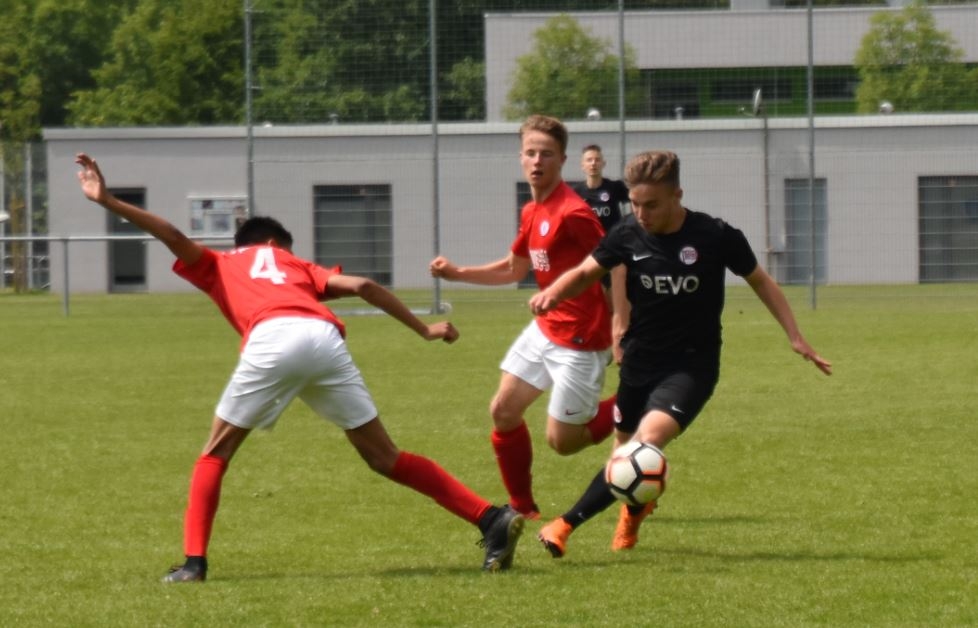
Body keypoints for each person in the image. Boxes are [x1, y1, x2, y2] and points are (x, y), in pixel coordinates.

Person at [74, 153, 524, 582]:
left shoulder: (222, 261)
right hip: (324, 339)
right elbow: (364, 285)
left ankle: (193, 564)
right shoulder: (297, 265)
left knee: (214, 453)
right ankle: (490, 518)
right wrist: (424, 329)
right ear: (275, 245)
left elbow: (172, 235)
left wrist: (108, 201)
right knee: (384, 456)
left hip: (272, 339)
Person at [529, 150, 832, 558]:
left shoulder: (715, 236)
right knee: (624, 455)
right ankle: (635, 512)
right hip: (639, 361)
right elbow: (587, 272)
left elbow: (761, 281)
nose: (642, 214)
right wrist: (553, 293)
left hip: (691, 366)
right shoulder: (626, 234)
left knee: (645, 445)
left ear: (678, 195)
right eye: (635, 204)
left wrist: (795, 336)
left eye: (651, 205)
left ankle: (564, 525)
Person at [429, 115, 622, 520]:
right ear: (521, 157)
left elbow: (616, 263)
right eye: (531, 152)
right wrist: (457, 272)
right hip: (546, 327)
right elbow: (514, 269)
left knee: (564, 442)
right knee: (503, 410)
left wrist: (622, 324)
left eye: (546, 154)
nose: (537, 161)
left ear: (562, 160)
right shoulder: (533, 209)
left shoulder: (574, 212)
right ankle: (523, 508)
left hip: (581, 338)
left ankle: (635, 401)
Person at [570, 144, 630, 236]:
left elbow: (637, 199)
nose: (593, 163)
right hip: (588, 240)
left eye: (597, 160)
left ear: (603, 164)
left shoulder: (615, 187)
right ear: (582, 165)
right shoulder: (576, 192)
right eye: (589, 160)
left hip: (611, 240)